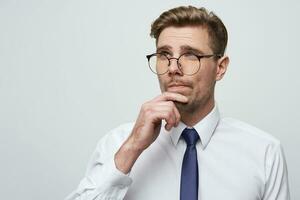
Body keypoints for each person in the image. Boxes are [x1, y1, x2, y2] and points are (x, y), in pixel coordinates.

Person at [65, 5, 290, 200]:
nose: (173, 68)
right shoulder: (118, 144)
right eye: (164, 54)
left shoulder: (264, 152)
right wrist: (133, 147)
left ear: (220, 68)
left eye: (191, 55)